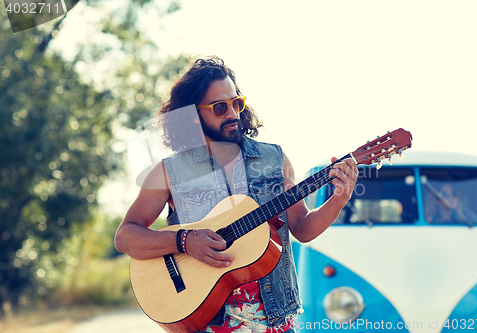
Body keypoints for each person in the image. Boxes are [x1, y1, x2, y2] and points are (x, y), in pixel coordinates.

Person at [114, 56, 359, 332]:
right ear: (193, 116)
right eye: (219, 107)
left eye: (236, 103)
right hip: (206, 322)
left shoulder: (274, 159)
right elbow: (125, 237)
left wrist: (338, 199)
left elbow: (302, 228)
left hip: (275, 321)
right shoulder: (168, 172)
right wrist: (184, 241)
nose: (232, 113)